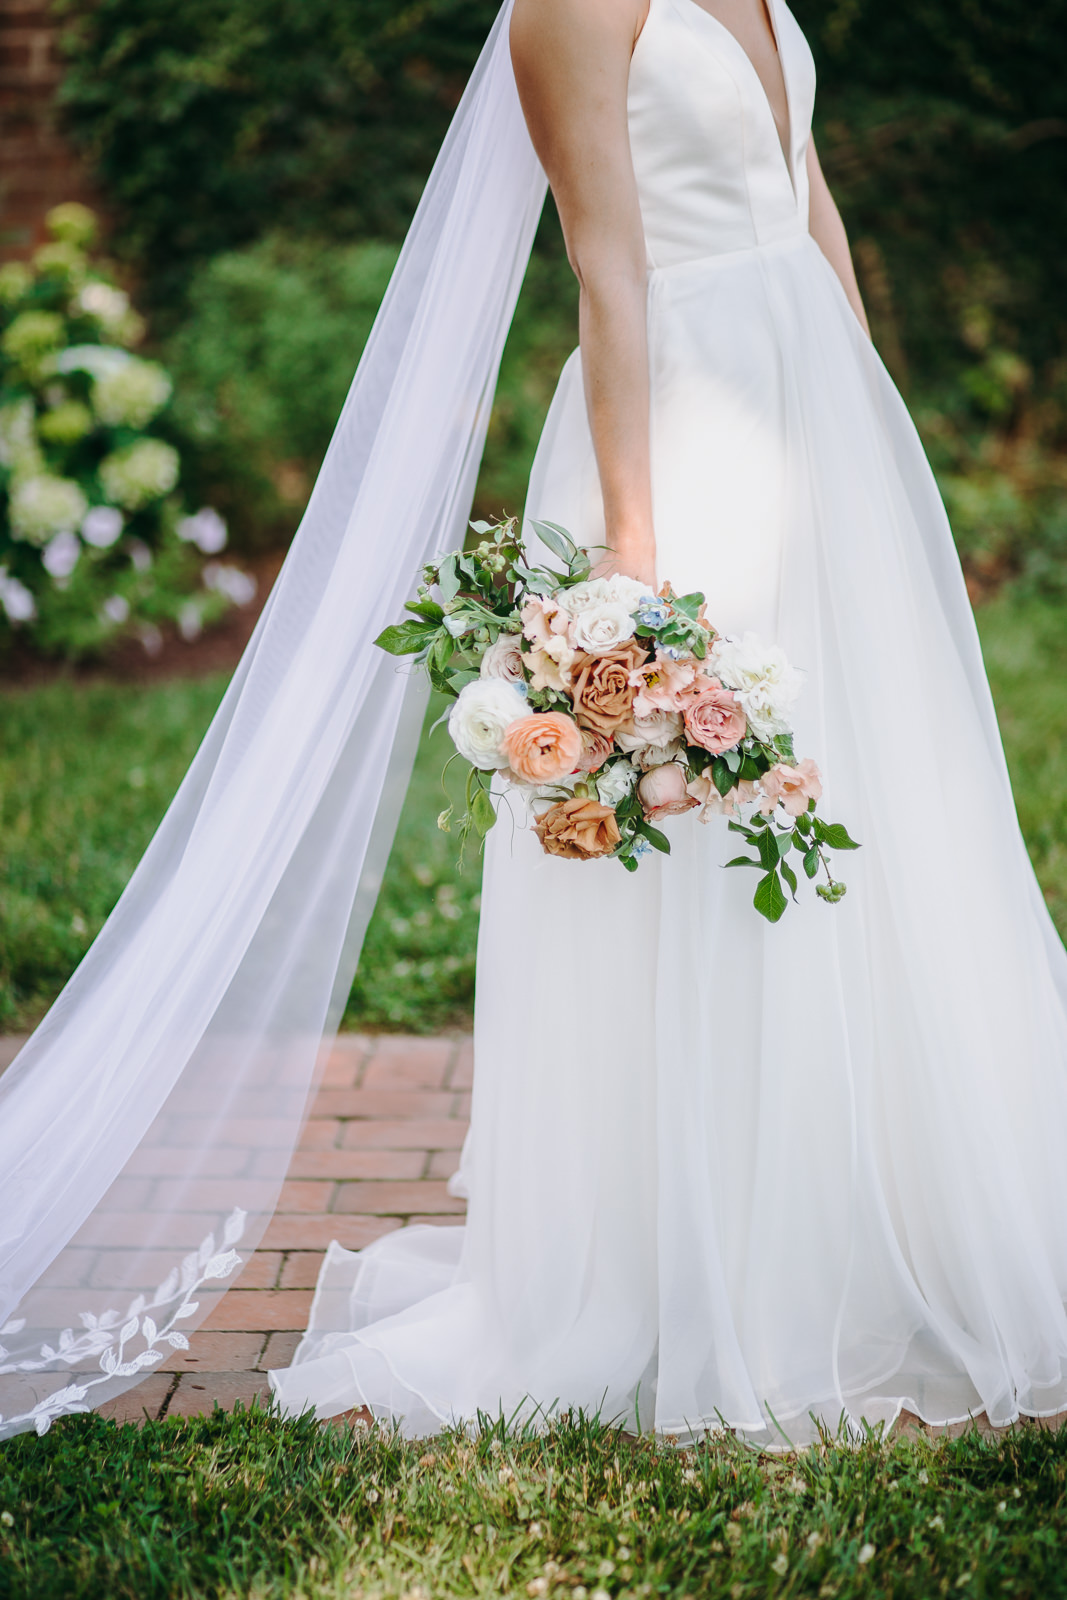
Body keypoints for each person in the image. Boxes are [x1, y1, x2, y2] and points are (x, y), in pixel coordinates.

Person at [3, 0, 1066, 1448]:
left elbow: (807, 190)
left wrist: (876, 448)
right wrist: (634, 554)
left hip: (811, 415)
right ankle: (714, 1261)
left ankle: (889, 1209)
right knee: (702, 849)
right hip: (676, 430)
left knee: (873, 815)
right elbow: (608, 264)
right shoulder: (565, 9)